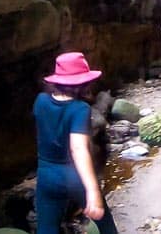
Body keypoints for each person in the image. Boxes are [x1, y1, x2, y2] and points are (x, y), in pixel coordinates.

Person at [33, 52, 119, 234]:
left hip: (46, 175)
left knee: (46, 229)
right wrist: (93, 191)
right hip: (73, 176)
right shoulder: (79, 109)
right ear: (82, 83)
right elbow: (78, 148)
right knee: (107, 228)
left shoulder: (40, 101)